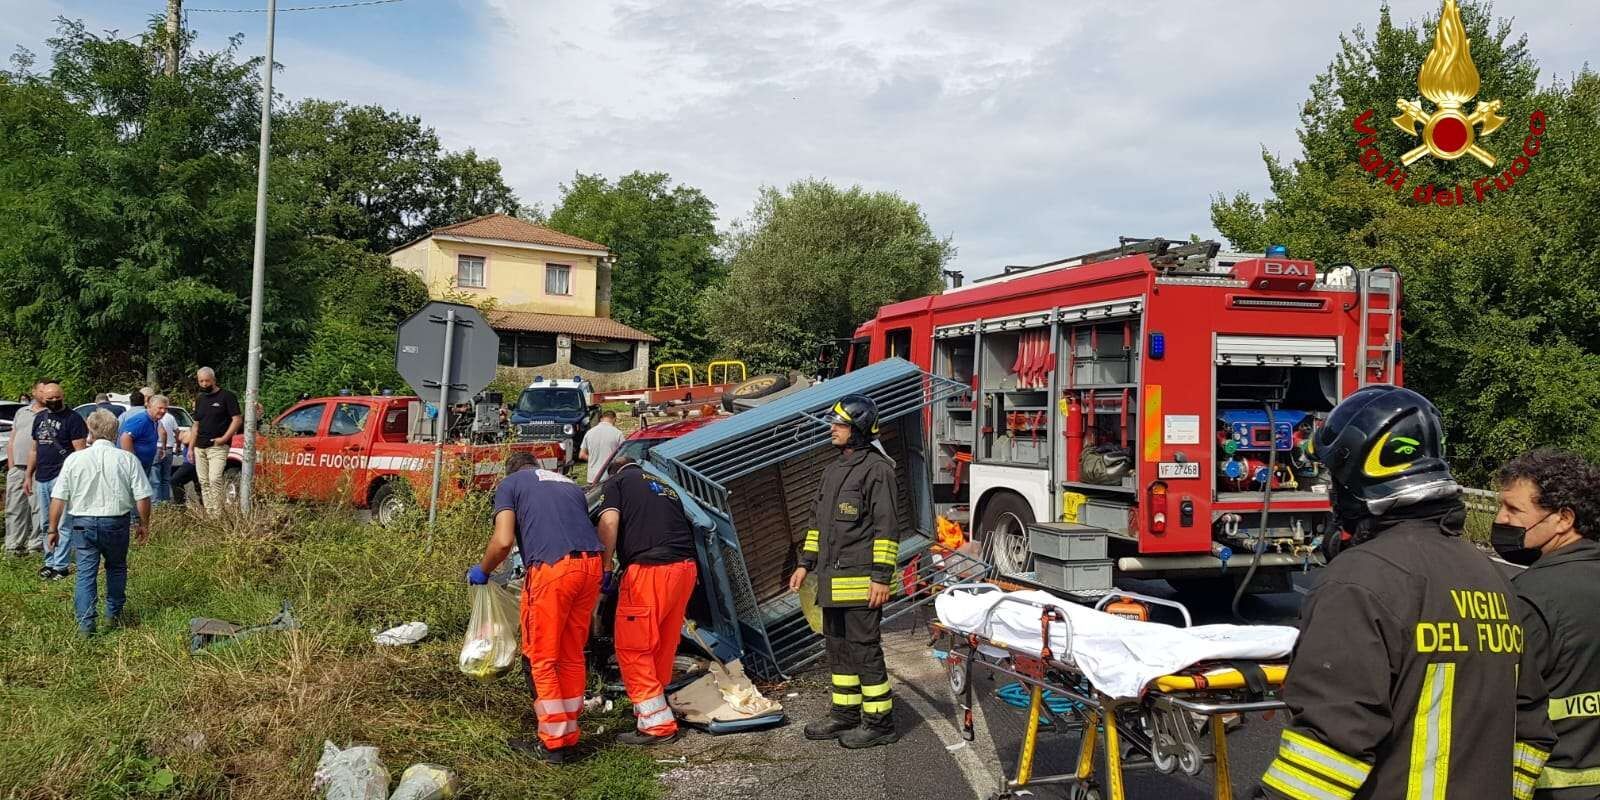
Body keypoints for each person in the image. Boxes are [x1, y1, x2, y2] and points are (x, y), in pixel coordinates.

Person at [1255, 385, 1555, 800]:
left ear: (1353, 478)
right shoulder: (1492, 579)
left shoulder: (1357, 580)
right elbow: (1531, 730)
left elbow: (1326, 750)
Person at [468, 451, 602, 764]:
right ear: (538, 467)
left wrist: (483, 570)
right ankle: (568, 733)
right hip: (591, 567)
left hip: (553, 569)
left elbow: (503, 541)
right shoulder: (569, 484)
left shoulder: (511, 484)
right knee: (570, 652)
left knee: (541, 655)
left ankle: (554, 744)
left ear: (510, 470)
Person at [788, 394, 901, 749]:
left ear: (859, 429)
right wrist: (805, 564)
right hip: (831, 581)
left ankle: (880, 723)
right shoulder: (833, 470)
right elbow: (816, 523)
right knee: (837, 649)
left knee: (864, 650)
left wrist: (881, 577)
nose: (832, 430)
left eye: (839, 424)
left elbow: (887, 528)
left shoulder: (878, 470)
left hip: (863, 581)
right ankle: (845, 714)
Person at [1494, 450, 1600, 798]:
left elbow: (1498, 705)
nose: (1501, 518)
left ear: (1563, 519)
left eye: (1513, 509)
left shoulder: (1529, 598)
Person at [595, 455, 699, 745]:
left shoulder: (617, 482)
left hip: (649, 571)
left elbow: (609, 521)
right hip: (685, 569)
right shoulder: (664, 485)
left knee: (634, 646)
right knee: (663, 643)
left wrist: (605, 567)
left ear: (614, 471)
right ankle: (655, 707)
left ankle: (657, 725)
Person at [46, 410, 152, 636]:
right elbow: (143, 497)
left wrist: (52, 529)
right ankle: (113, 615)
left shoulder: (74, 459)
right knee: (116, 568)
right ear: (116, 432)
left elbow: (58, 498)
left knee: (86, 573)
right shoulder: (127, 459)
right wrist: (144, 523)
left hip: (82, 523)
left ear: (90, 431)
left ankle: (86, 625)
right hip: (116, 521)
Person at [27, 381, 88, 580]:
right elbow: (35, 449)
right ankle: (49, 561)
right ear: (42, 397)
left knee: (63, 523)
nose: (53, 401)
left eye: (56, 397)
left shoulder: (73, 419)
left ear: (62, 395)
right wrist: (28, 475)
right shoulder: (39, 419)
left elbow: (80, 451)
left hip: (63, 477)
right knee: (46, 522)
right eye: (49, 398)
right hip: (42, 476)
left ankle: (61, 565)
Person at [191, 367, 241, 513]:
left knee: (214, 479)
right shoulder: (200, 398)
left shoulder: (227, 396)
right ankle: (210, 512)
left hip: (218, 446)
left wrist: (225, 438)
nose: (204, 384)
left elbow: (237, 419)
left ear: (214, 380)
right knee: (204, 482)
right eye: (201, 381)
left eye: (207, 380)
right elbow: (196, 423)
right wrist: (190, 448)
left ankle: (218, 514)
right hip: (200, 446)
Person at [5, 382, 44, 555]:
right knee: (15, 508)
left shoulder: (53, 414)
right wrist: (12, 466)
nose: (44, 394)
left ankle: (35, 545)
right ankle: (14, 546)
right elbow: (12, 440)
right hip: (18, 468)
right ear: (34, 391)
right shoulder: (22, 412)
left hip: (40, 468)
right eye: (41, 390)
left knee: (38, 508)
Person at [579, 410, 625, 485]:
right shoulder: (618, 433)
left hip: (593, 477)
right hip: (609, 477)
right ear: (614, 419)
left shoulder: (589, 432)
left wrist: (593, 458)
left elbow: (582, 455)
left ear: (601, 419)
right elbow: (623, 456)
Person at [151, 395, 179, 503]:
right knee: (166, 478)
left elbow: (162, 432)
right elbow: (177, 432)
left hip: (158, 448)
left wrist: (162, 446)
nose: (163, 410)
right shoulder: (170, 417)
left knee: (155, 479)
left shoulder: (155, 418)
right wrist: (177, 444)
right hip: (169, 449)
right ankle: (165, 502)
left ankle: (156, 504)